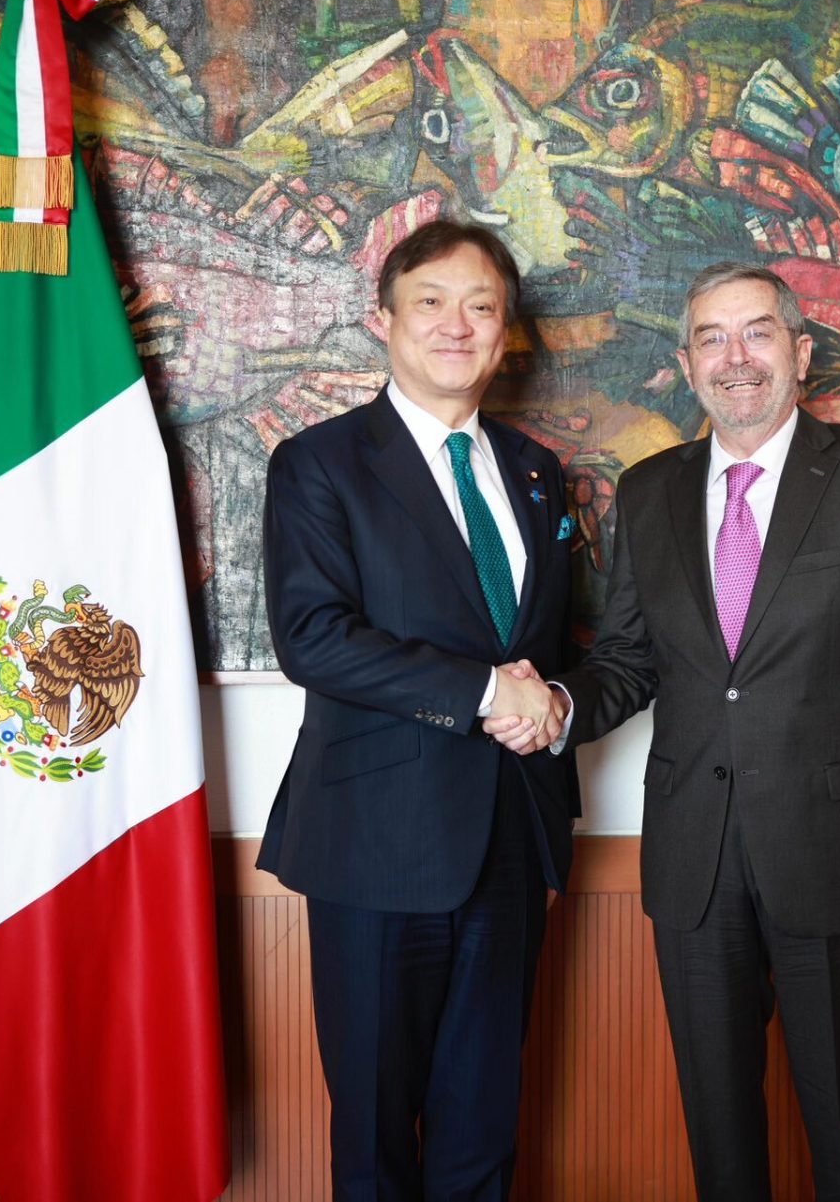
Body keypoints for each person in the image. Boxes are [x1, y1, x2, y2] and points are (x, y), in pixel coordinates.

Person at [490, 261, 840, 1200]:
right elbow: (628, 660)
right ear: (685, 364)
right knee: (720, 1144)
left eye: (757, 332)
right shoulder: (649, 491)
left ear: (801, 351)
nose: (735, 356)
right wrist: (557, 705)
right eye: (711, 338)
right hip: (694, 865)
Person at [258, 218, 575, 1201]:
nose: (456, 324)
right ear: (382, 322)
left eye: (481, 307)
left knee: (484, 1133)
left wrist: (551, 703)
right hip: (375, 847)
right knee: (377, 1138)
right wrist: (484, 692)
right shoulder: (318, 464)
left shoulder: (535, 471)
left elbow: (548, 649)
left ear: (505, 333)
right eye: (430, 302)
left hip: (511, 846)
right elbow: (313, 638)